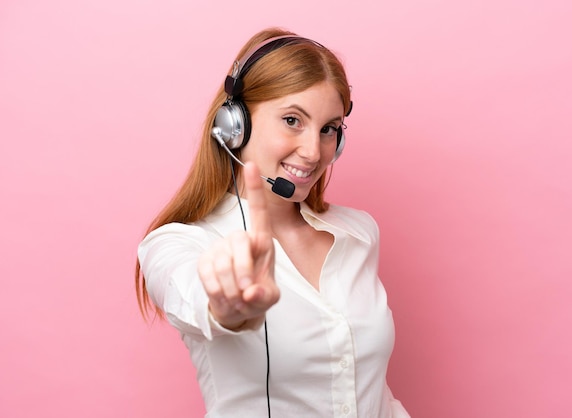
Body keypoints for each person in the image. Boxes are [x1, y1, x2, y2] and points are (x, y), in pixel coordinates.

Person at [135, 27, 410, 417]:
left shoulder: (359, 233)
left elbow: (372, 392)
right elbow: (193, 295)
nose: (314, 152)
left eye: (329, 129)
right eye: (293, 120)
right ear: (234, 124)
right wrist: (230, 306)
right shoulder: (177, 244)